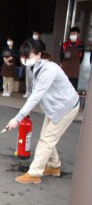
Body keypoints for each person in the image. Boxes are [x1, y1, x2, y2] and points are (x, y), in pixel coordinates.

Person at [6, 39, 79, 184]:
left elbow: (36, 95)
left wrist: (18, 118)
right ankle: (53, 166)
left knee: (46, 139)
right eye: (22, 56)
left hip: (66, 107)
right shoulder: (33, 67)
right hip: (54, 107)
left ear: (39, 55)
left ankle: (34, 173)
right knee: (46, 137)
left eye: (28, 56)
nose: (25, 60)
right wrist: (27, 110)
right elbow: (35, 92)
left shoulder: (49, 70)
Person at [61, 26, 85, 91]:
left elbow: (81, 57)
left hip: (75, 70)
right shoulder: (65, 44)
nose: (72, 35)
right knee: (63, 87)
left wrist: (76, 63)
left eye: (74, 33)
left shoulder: (80, 44)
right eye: (71, 33)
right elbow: (61, 57)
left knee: (73, 88)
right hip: (65, 68)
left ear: (78, 34)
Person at [24, 29, 46, 98]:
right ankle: (27, 91)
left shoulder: (42, 44)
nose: (35, 35)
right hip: (29, 61)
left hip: (37, 61)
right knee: (28, 77)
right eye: (34, 34)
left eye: (36, 34)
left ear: (39, 35)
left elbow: (43, 53)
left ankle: (33, 92)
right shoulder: (29, 42)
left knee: (36, 77)